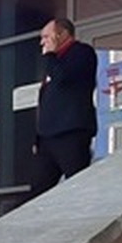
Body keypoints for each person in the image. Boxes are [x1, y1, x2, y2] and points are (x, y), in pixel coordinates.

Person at [31, 17, 98, 197]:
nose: (42, 42)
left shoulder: (82, 53)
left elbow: (63, 78)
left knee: (77, 186)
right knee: (38, 190)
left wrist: (51, 55)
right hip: (47, 138)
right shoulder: (53, 62)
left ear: (62, 35)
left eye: (46, 36)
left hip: (71, 133)